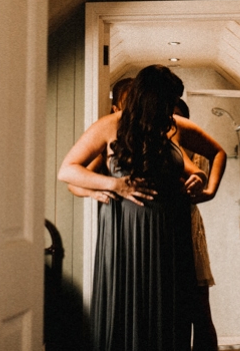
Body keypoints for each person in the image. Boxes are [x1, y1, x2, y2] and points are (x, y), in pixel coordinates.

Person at [58, 65, 206, 351]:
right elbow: (68, 172)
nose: (170, 109)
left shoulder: (167, 130)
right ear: (150, 98)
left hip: (170, 237)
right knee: (126, 304)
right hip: (125, 235)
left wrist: (199, 181)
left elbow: (192, 169)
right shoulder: (109, 125)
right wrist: (113, 186)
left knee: (170, 311)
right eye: (166, 102)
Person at [173, 99, 223, 351]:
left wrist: (207, 190)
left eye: (179, 115)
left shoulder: (194, 151)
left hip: (189, 225)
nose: (173, 120)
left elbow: (200, 186)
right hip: (164, 228)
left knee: (201, 309)